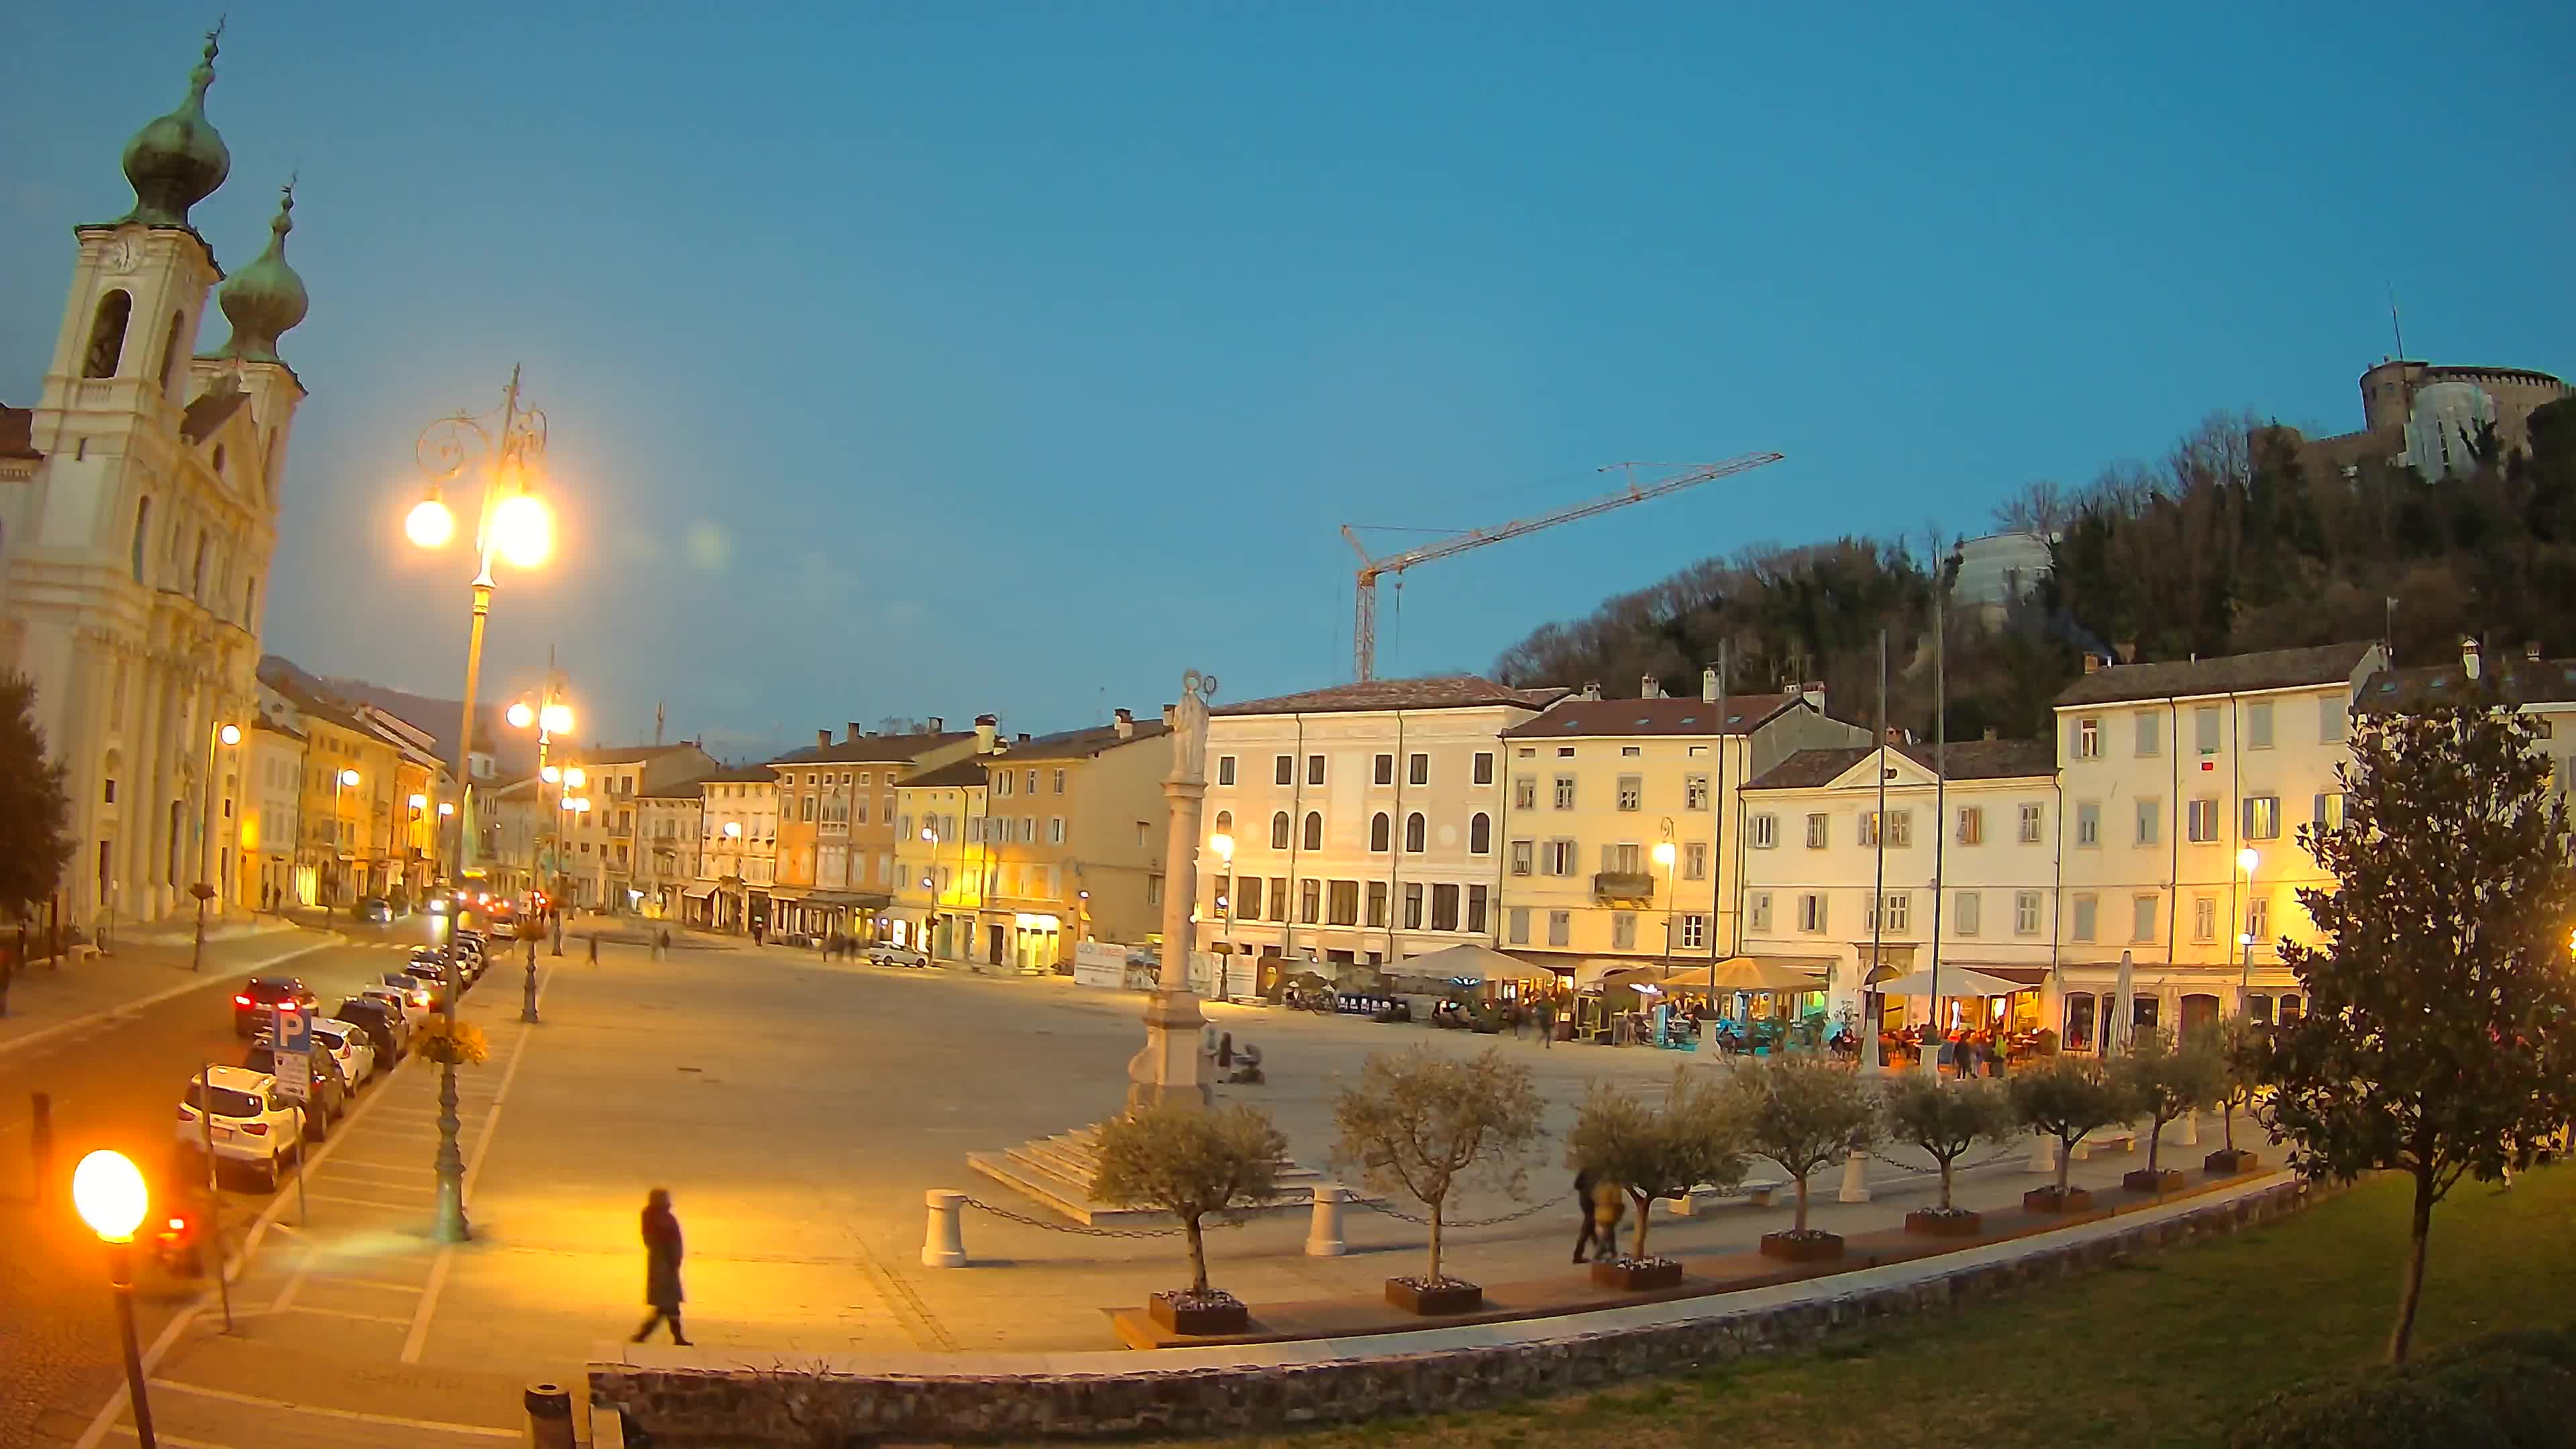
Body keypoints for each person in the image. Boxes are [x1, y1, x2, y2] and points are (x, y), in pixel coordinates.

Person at [632, 1188, 690, 1344]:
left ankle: (650, 1336)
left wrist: (675, 1259)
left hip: (669, 1265)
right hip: (663, 1266)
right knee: (667, 1305)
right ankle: (645, 1335)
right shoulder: (654, 1217)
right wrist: (670, 1258)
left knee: (669, 1305)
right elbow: (653, 1241)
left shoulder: (664, 1217)